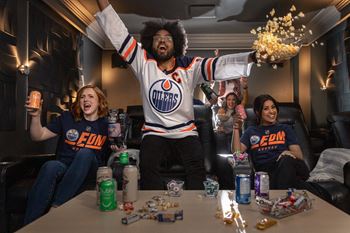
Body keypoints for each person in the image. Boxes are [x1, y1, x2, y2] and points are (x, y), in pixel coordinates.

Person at [95, 0, 258, 190]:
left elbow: (218, 65)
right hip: (154, 132)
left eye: (168, 38)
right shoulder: (142, 62)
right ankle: (153, 210)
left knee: (197, 167)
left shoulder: (190, 66)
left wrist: (253, 57)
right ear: (150, 43)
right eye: (157, 38)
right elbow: (119, 35)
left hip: (185, 131)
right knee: (147, 166)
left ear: (177, 44)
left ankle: (193, 210)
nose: (162, 40)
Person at [24, 84, 111, 224]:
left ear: (99, 101)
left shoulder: (107, 125)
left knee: (85, 153)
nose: (85, 100)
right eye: (82, 97)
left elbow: (116, 149)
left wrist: (118, 147)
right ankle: (29, 226)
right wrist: (35, 116)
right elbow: (38, 136)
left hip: (90, 169)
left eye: (90, 96)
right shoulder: (67, 118)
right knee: (50, 165)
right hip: (65, 166)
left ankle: (56, 207)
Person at [232, 94, 310, 189]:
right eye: (266, 109)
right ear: (258, 112)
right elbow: (237, 152)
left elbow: (299, 155)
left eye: (273, 107)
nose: (271, 111)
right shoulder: (251, 131)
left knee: (286, 161)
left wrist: (287, 153)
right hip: (267, 173)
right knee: (301, 186)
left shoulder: (285, 128)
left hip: (288, 166)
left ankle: (280, 197)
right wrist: (236, 128)